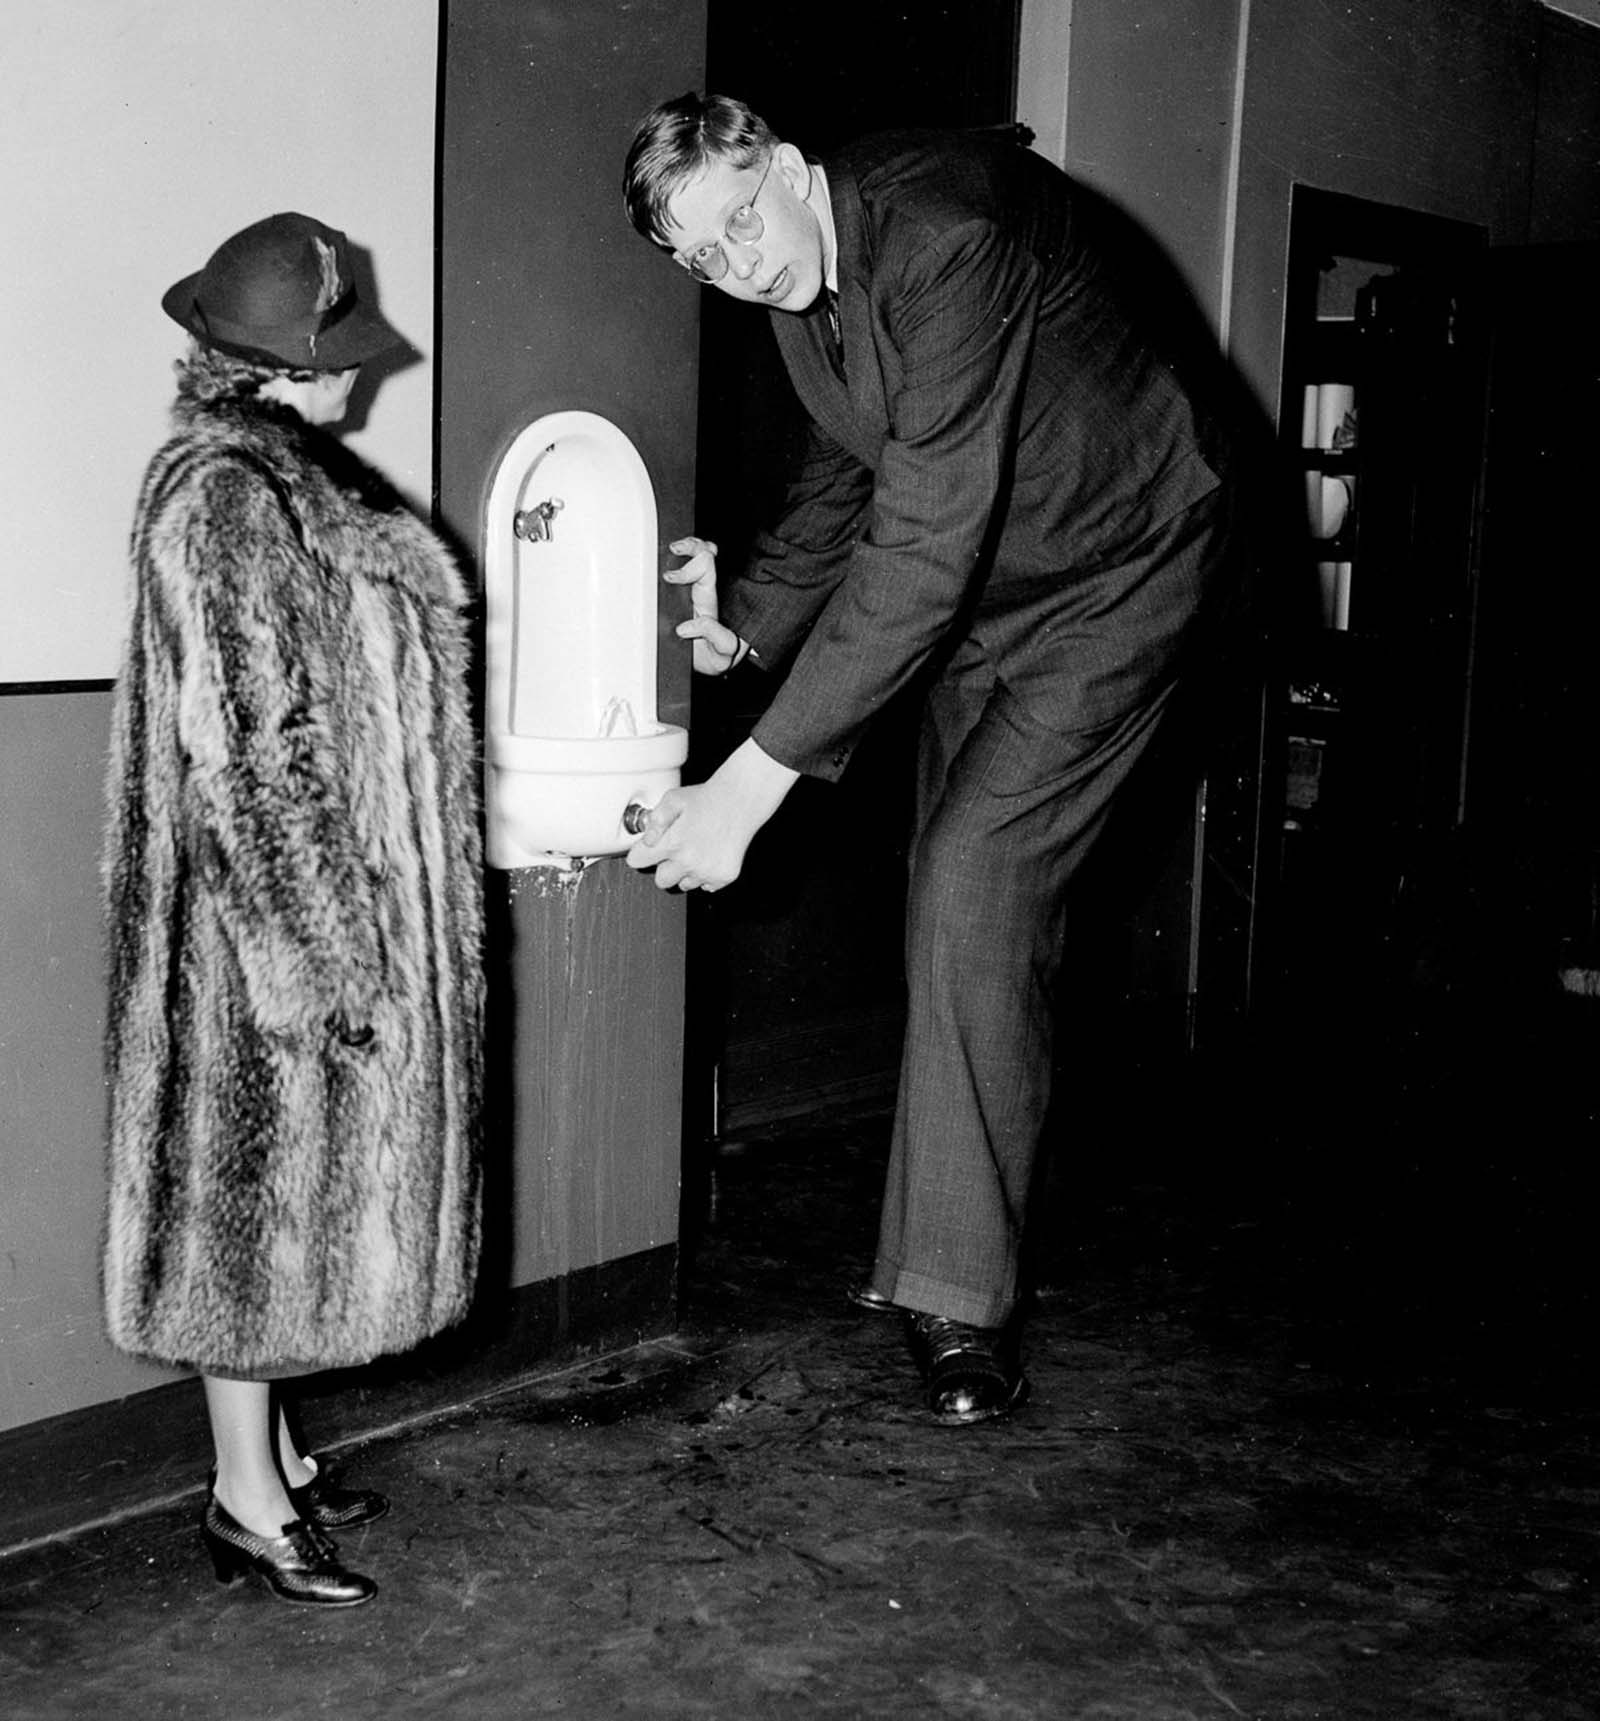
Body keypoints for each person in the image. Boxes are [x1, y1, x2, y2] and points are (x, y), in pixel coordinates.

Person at [621, 95, 1247, 1425]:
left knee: (975, 874)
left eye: (741, 220)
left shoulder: (947, 232)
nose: (738, 263)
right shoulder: (803, 277)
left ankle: (958, 1304)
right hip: (998, 590)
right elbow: (849, 473)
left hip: (1125, 569)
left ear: (787, 169)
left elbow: (917, 544)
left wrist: (746, 786)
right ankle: (940, 1255)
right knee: (959, 901)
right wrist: (744, 626)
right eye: (702, 256)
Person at [102, 213, 485, 1604]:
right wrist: (323, 966)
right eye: (338, 358)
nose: (360, 377)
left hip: (292, 921)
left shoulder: (281, 476)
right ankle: (244, 1500)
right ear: (269, 367)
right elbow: (253, 748)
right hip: (260, 941)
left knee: (280, 1215)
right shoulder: (225, 495)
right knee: (247, 1224)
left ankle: (278, 1463)